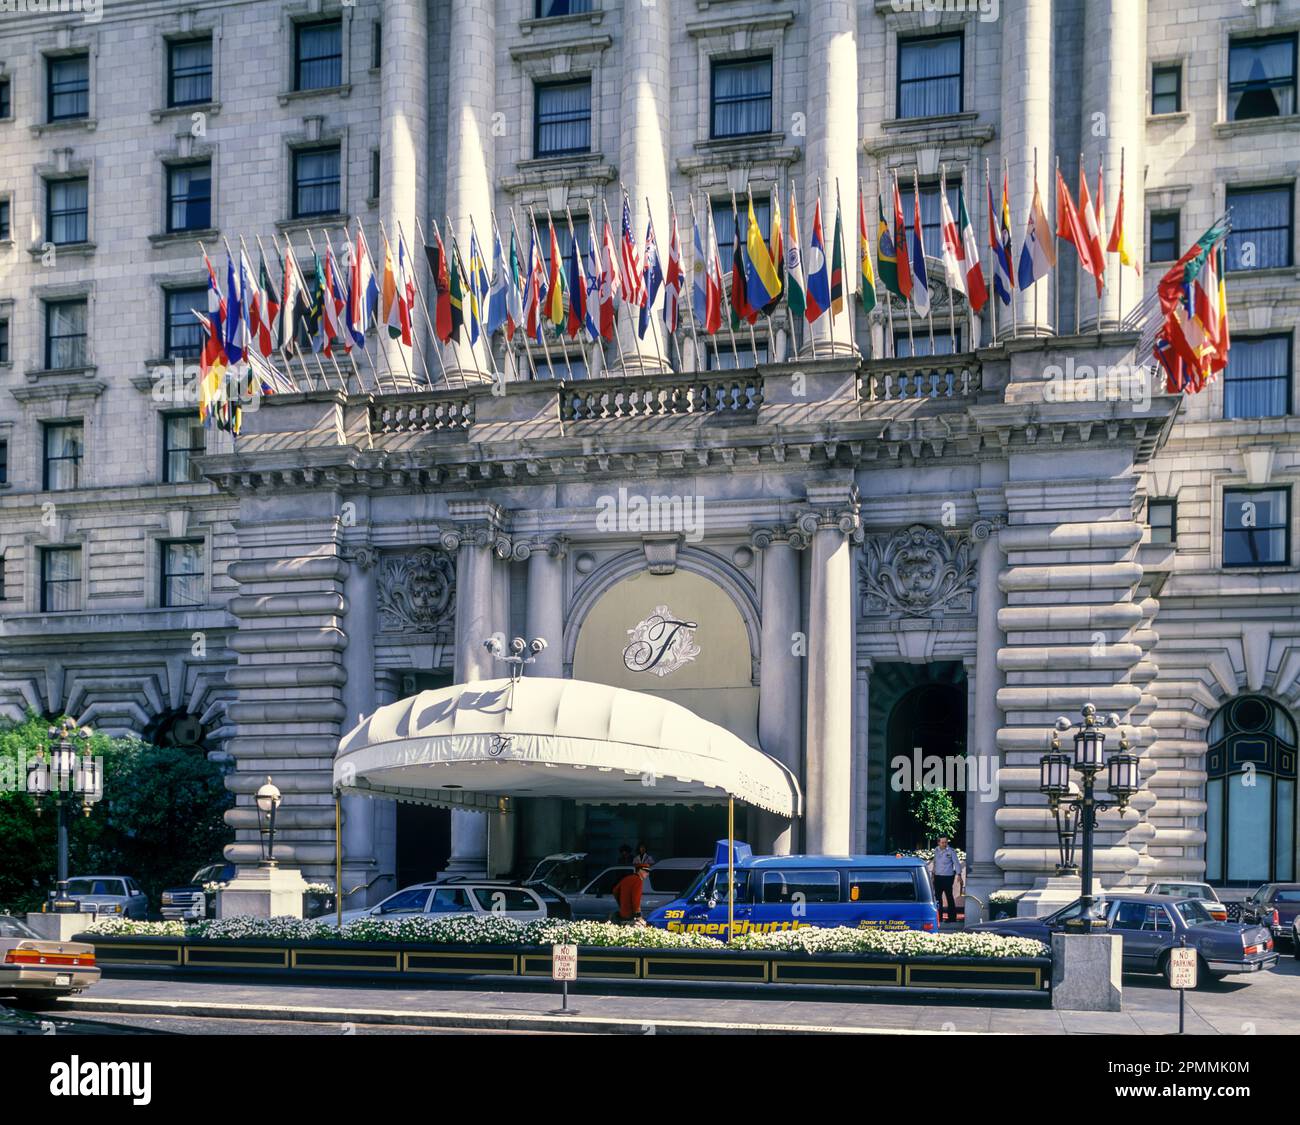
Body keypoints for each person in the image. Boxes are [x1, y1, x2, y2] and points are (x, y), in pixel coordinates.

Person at [930, 836, 963, 924]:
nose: (945, 844)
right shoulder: (936, 851)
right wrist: (933, 875)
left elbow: (956, 863)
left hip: (948, 877)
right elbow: (935, 863)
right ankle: (938, 917)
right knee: (937, 898)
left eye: (946, 842)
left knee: (949, 897)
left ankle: (952, 918)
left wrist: (959, 874)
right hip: (938, 877)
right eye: (943, 842)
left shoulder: (951, 851)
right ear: (938, 843)